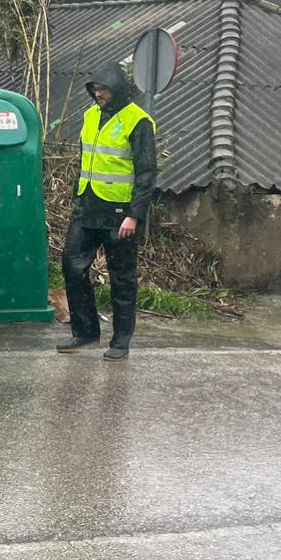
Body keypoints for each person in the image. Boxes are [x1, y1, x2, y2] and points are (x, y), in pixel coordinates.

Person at [57, 62, 157, 361]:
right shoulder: (90, 116)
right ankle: (85, 332)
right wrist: (77, 196)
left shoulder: (138, 121)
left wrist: (134, 215)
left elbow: (146, 172)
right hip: (88, 206)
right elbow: (86, 159)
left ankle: (121, 341)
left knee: (122, 277)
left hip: (119, 212)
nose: (98, 94)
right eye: (95, 89)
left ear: (117, 88)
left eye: (103, 89)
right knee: (72, 265)